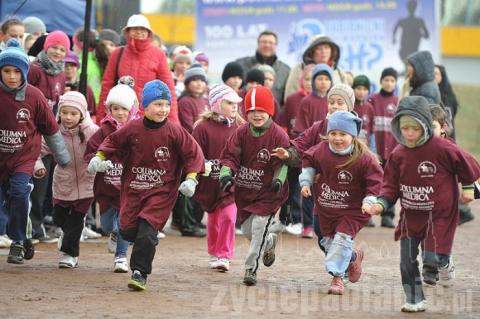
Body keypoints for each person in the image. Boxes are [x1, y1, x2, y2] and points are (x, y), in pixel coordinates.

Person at [364, 96, 480, 313]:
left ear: (425, 125)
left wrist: (467, 189)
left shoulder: (444, 148)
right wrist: (382, 203)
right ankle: (415, 298)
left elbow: (469, 166)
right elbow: (390, 186)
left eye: (414, 128)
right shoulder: (398, 154)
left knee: (432, 257)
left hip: (439, 215)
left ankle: (443, 261)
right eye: (404, 128)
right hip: (411, 215)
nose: (409, 133)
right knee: (406, 259)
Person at [89, 80, 205, 291]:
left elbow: (193, 154)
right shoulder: (133, 128)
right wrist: (99, 156)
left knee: (147, 230)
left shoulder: (175, 131)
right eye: (158, 104)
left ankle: (139, 272)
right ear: (145, 106)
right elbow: (112, 141)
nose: (163, 109)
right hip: (134, 189)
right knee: (128, 230)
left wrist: (191, 178)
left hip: (162, 191)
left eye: (166, 105)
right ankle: (143, 239)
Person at [0, 39, 70, 263]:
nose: (12, 76)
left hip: (24, 157)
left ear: (24, 72)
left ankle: (18, 241)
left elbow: (50, 128)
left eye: (16, 71)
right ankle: (22, 236)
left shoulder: (34, 96)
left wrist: (63, 158)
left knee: (19, 192)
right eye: (6, 71)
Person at [300, 111, 383, 294]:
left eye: (343, 134)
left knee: (341, 240)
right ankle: (353, 257)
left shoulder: (363, 157)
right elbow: (308, 162)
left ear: (352, 136)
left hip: (353, 210)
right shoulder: (321, 150)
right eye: (333, 133)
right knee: (325, 241)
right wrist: (306, 182)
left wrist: (369, 200)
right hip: (326, 207)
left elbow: (375, 180)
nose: (337, 138)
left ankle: (337, 278)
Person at [220, 85, 289, 286]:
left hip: (269, 193)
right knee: (249, 231)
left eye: (261, 111)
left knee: (258, 228)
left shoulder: (278, 135)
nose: (257, 115)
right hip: (246, 190)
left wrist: (278, 181)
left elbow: (282, 164)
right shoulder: (240, 133)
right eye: (252, 111)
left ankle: (251, 269)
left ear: (269, 112)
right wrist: (225, 175)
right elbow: (229, 157)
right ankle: (269, 242)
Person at [272, 84, 356, 244]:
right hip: (321, 188)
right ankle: (349, 258)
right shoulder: (319, 127)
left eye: (340, 102)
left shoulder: (355, 130)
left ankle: (344, 262)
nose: (335, 106)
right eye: (332, 102)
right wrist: (288, 153)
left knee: (342, 234)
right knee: (320, 231)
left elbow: (364, 157)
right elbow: (301, 143)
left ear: (349, 106)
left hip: (345, 191)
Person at [36, 92, 98, 268]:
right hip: (63, 182)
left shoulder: (93, 131)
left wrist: (100, 162)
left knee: (76, 220)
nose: (68, 117)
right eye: (64, 113)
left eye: (73, 113)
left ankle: (69, 254)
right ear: (59, 113)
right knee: (59, 217)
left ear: (82, 114)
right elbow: (37, 151)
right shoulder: (53, 133)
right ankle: (67, 234)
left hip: (87, 182)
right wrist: (37, 166)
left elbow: (106, 147)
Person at [85, 82, 140, 272]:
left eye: (124, 108)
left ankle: (121, 258)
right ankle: (114, 235)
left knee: (123, 223)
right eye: (115, 108)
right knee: (108, 225)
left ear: (131, 109)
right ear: (109, 109)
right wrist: (96, 163)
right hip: (106, 188)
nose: (120, 113)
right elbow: (90, 151)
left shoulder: (138, 130)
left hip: (128, 188)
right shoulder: (104, 130)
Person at [192, 84, 244, 271]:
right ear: (216, 104)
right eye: (229, 103)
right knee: (213, 218)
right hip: (210, 182)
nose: (234, 106)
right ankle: (214, 252)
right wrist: (202, 165)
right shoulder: (202, 128)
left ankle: (224, 255)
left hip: (232, 182)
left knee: (229, 217)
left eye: (236, 103)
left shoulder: (240, 127)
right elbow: (195, 153)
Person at [97, 14, 178, 124]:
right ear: (128, 31)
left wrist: (173, 122)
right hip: (120, 117)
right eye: (135, 28)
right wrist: (100, 119)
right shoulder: (117, 53)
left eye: (143, 29)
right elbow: (107, 87)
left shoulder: (158, 54)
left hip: (149, 119)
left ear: (149, 32)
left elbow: (168, 90)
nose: (139, 32)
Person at [369, 67, 399, 228]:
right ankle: (368, 214)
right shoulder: (372, 99)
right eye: (386, 80)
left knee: (390, 183)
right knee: (372, 181)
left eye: (392, 80)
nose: (389, 83)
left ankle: (387, 215)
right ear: (381, 81)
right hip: (375, 150)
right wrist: (372, 150)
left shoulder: (397, 102)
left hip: (392, 150)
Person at [236, 30, 290, 105]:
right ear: (258, 44)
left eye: (271, 43)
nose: (267, 45)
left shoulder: (286, 70)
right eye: (264, 42)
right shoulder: (241, 65)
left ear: (276, 46)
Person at [285, 35, 347, 100]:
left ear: (332, 51)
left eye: (326, 47)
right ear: (311, 52)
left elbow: (346, 97)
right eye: (319, 48)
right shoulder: (300, 68)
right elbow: (290, 96)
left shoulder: (338, 71)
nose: (323, 51)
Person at [293, 63, 333, 135]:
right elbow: (301, 128)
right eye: (320, 79)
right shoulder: (306, 101)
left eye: (327, 79)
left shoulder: (332, 101)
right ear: (313, 81)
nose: (323, 82)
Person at [63, 51, 96, 115]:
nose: (68, 68)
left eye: (72, 65)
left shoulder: (86, 88)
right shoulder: (57, 87)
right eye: (65, 65)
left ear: (77, 67)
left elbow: (92, 111)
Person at [352, 74, 376, 150]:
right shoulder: (349, 106)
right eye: (358, 88)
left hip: (365, 149)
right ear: (353, 89)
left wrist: (372, 151)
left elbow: (372, 134)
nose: (361, 92)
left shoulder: (370, 108)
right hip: (351, 148)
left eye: (365, 89)